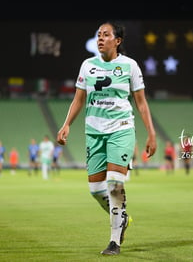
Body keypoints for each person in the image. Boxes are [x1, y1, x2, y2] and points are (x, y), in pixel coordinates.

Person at [56, 21, 157, 256]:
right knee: (95, 189)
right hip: (94, 132)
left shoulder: (130, 66)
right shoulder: (87, 66)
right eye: (98, 35)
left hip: (121, 129)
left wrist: (151, 133)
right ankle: (122, 218)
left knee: (113, 183)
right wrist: (66, 124)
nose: (100, 38)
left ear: (117, 41)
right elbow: (79, 99)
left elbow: (141, 102)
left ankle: (114, 241)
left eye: (106, 35)